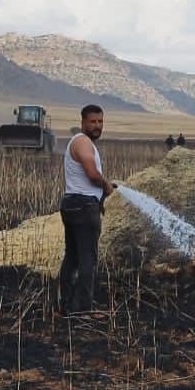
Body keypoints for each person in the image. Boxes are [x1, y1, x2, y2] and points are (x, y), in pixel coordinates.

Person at [58, 104, 117, 314]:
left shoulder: (80, 142)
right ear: (82, 122)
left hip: (72, 204)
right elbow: (92, 174)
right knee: (87, 259)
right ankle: (83, 309)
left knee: (72, 256)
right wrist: (106, 186)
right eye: (93, 121)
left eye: (100, 121)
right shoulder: (83, 142)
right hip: (83, 207)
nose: (97, 126)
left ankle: (66, 304)